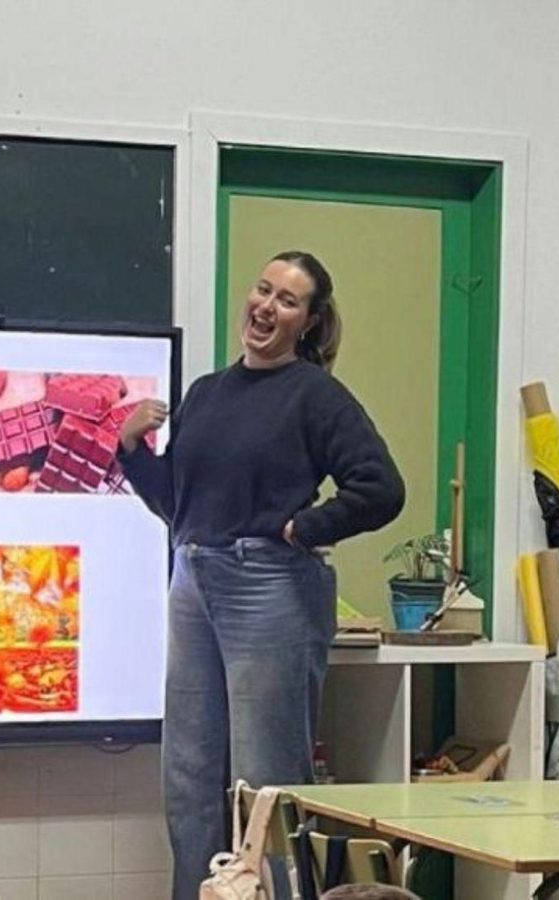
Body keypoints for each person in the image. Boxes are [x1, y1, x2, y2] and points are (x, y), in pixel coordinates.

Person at [116, 250, 405, 899]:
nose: (266, 306)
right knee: (189, 776)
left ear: (308, 322)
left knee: (265, 784)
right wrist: (132, 450)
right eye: (263, 289)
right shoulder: (207, 393)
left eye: (288, 300)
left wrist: (306, 529)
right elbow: (179, 505)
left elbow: (381, 488)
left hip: (268, 584)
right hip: (192, 576)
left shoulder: (315, 395)